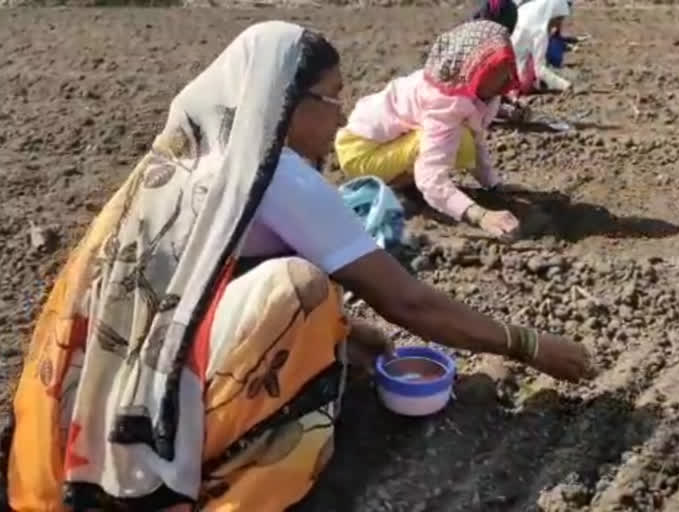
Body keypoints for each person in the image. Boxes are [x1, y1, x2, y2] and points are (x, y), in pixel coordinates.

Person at [1, 21, 593, 512]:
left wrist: (346, 331)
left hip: (78, 416)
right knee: (304, 292)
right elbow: (407, 301)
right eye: (333, 99)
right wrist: (530, 345)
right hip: (150, 430)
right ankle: (234, 486)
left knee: (326, 314)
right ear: (286, 100)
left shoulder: (181, 157)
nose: (340, 119)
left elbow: (203, 281)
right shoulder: (277, 175)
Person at [335, 21, 523, 239]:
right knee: (458, 145)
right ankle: (393, 187)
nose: (507, 77)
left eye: (508, 63)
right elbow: (432, 177)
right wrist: (480, 215)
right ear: (475, 70)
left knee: (463, 143)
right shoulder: (443, 102)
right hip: (361, 153)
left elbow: (477, 137)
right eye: (496, 69)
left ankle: (407, 181)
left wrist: (493, 185)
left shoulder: (481, 91)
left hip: (391, 141)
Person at [511, 0, 573, 94]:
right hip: (513, 74)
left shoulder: (527, 14)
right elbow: (539, 69)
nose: (558, 24)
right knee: (527, 83)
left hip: (507, 67)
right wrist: (564, 85)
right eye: (559, 18)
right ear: (551, 14)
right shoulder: (539, 32)